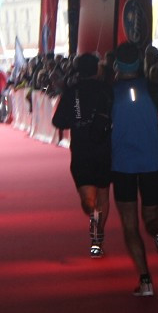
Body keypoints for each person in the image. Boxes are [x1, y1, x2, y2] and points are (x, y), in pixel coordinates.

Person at [110, 43, 158, 297]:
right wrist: (155, 132)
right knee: (151, 217)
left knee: (130, 223)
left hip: (122, 164)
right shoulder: (152, 88)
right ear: (140, 63)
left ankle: (145, 280)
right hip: (151, 160)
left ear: (117, 65)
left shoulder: (111, 91)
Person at [51, 54, 114, 257]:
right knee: (103, 194)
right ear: (97, 69)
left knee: (89, 200)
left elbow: (58, 121)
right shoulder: (106, 90)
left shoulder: (72, 93)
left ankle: (95, 227)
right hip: (104, 149)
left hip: (81, 151)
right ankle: (97, 233)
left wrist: (77, 119)